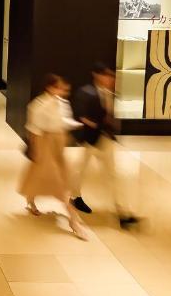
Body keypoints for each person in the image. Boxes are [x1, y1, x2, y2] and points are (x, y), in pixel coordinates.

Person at [19, 73, 89, 241]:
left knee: (47, 175)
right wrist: (36, 150)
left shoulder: (63, 103)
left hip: (58, 143)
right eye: (58, 87)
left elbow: (64, 122)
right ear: (49, 87)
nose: (62, 90)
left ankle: (30, 200)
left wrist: (79, 124)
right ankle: (73, 222)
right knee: (57, 182)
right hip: (44, 143)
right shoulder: (38, 105)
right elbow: (33, 129)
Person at [70, 64, 138, 228]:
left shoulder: (111, 94)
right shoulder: (87, 92)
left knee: (113, 175)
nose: (111, 80)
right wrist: (89, 123)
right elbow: (78, 113)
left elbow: (111, 116)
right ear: (97, 76)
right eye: (108, 76)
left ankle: (122, 212)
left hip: (105, 139)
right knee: (81, 169)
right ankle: (74, 197)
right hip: (91, 139)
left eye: (112, 77)